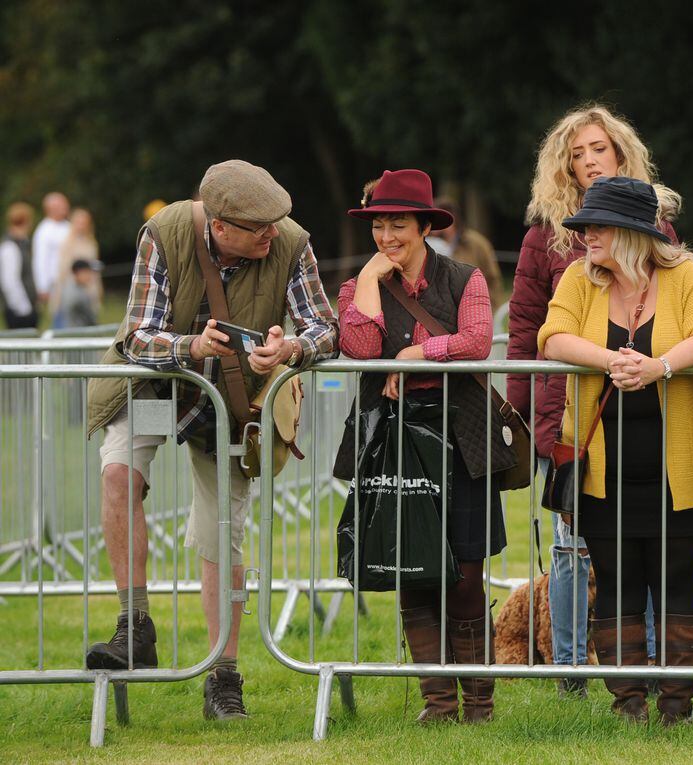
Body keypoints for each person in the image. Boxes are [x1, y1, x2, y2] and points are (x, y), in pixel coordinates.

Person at [84, 160, 338, 720]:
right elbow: (137, 335)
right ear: (220, 225)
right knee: (119, 474)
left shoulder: (292, 241)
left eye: (276, 223)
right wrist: (191, 348)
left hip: (230, 399)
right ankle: (135, 627)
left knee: (221, 529)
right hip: (154, 385)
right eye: (260, 228)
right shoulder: (165, 232)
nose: (273, 233)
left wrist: (290, 350)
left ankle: (224, 678)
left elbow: (326, 327)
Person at [540, 176, 693, 725]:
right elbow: (551, 338)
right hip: (604, 467)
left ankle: (677, 704)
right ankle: (628, 700)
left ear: (632, 233)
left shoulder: (685, 275)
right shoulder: (581, 279)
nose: (585, 238)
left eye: (597, 227)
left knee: (677, 578)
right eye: (584, 228)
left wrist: (659, 366)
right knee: (616, 579)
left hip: (680, 467)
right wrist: (612, 361)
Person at [507, 104, 676, 696]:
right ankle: (571, 665)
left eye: (598, 148)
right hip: (569, 401)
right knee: (571, 541)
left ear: (622, 152)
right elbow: (528, 328)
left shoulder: (656, 225)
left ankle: (650, 657)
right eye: (576, 153)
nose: (588, 160)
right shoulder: (544, 237)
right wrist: (521, 414)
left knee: (647, 535)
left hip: (646, 402)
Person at [334, 168, 508, 724]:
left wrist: (413, 358)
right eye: (379, 226)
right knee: (410, 569)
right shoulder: (361, 286)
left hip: (462, 440)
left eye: (399, 224)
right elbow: (361, 349)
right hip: (394, 439)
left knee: (466, 575)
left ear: (425, 225)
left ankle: (478, 703)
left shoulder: (465, 278)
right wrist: (367, 280)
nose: (388, 236)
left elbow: (477, 342)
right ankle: (437, 704)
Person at [427, 196, 504, 310]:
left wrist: (488, 311)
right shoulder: (425, 244)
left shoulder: (477, 244)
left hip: (474, 309)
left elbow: (492, 279)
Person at [50, 208, 102, 327]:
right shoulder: (66, 243)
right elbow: (63, 271)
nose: (81, 226)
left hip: (88, 292)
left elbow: (94, 270)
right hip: (71, 292)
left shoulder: (91, 244)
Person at [0, 201, 38, 329]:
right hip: (19, 312)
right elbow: (10, 282)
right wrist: (25, 309)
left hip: (24, 307)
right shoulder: (10, 246)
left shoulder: (22, 243)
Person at [31, 191, 71, 306]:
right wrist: (42, 287)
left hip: (70, 280)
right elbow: (40, 260)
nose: (65, 207)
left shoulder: (68, 226)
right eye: (61, 205)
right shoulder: (44, 230)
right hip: (55, 283)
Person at [58, 259, 103, 328]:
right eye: (86, 272)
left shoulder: (68, 287)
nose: (89, 276)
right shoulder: (79, 295)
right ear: (77, 273)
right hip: (78, 333)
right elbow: (91, 320)